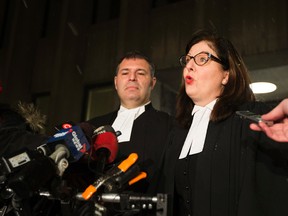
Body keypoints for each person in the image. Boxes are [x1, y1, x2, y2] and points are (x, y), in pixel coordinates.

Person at [158, 29, 288, 216]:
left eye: (202, 59)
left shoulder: (253, 118)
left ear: (226, 75)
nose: (190, 66)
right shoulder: (178, 132)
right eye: (187, 60)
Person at [87, 51, 173, 194]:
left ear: (152, 82)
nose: (132, 78)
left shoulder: (170, 126)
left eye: (140, 73)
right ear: (116, 82)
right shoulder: (92, 126)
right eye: (125, 73)